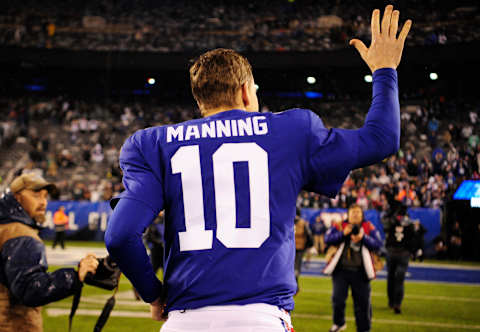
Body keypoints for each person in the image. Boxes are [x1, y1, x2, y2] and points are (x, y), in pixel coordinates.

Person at [105, 5, 411, 331]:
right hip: (261, 318)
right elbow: (382, 139)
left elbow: (121, 235)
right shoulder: (292, 130)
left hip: (185, 320)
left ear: (201, 101)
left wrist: (154, 295)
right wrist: (385, 69)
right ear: (244, 91)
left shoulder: (150, 144)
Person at [0, 173, 99, 332]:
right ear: (17, 198)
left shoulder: (5, 228)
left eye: (45, 196)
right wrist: (75, 276)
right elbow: (29, 289)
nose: (43, 202)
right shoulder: (21, 234)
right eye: (36, 195)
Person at [323, 204, 383, 332]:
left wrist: (363, 238)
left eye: (358, 212)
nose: (355, 215)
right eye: (353, 212)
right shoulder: (339, 225)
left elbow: (378, 244)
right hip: (341, 270)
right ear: (348, 214)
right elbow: (327, 239)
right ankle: (339, 323)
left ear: (362, 215)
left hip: (361, 271)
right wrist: (343, 234)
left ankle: (364, 328)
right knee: (337, 299)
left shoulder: (368, 227)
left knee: (363, 303)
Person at [385, 204, 415, 314]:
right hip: (402, 252)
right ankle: (396, 303)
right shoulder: (409, 222)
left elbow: (386, 227)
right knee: (399, 279)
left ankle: (393, 302)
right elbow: (414, 237)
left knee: (392, 278)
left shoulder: (392, 220)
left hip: (394, 251)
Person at [294, 208, 313, 294]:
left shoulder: (301, 223)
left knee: (295, 269)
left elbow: (308, 236)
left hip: (297, 248)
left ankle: (295, 286)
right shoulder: (303, 222)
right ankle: (295, 286)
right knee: (295, 269)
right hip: (296, 248)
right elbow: (309, 236)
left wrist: (308, 247)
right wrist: (309, 246)